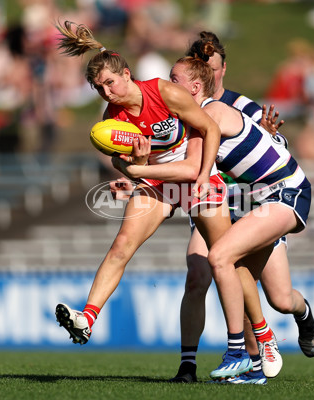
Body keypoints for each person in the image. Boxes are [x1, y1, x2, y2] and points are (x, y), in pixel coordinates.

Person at [52, 21, 253, 381]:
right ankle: (88, 318)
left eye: (110, 83)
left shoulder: (164, 92)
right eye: (99, 88)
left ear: (127, 75)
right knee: (121, 247)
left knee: (228, 261)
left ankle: (256, 344)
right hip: (157, 184)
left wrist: (205, 175)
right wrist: (137, 167)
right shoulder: (110, 121)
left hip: (193, 177)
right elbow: (122, 164)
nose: (107, 92)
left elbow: (208, 128)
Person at [113, 46, 314, 385]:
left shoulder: (214, 112)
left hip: (280, 193)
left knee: (237, 268)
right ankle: (251, 361)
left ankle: (244, 347)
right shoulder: (188, 118)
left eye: (174, 80)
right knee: (228, 273)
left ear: (196, 86)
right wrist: (134, 175)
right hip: (240, 202)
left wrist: (146, 170)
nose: (167, 85)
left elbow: (197, 164)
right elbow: (176, 166)